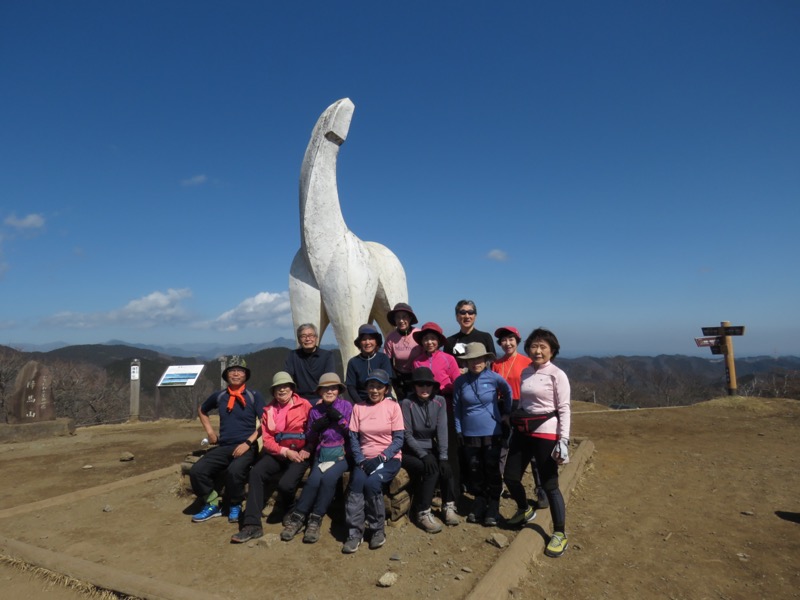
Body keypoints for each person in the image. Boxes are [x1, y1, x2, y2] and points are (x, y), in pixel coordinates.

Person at [503, 328, 572, 558]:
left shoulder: (557, 374)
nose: (538, 350)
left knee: (550, 484)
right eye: (534, 346)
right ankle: (524, 509)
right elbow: (524, 402)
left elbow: (564, 408)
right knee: (511, 476)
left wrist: (563, 439)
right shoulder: (525, 372)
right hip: (524, 432)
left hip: (546, 433)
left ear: (552, 350)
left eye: (543, 346)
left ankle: (560, 533)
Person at [231, 372, 312, 543]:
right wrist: (284, 451)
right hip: (278, 453)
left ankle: (291, 509)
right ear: (274, 392)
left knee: (286, 484)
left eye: (285, 386)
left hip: (299, 453)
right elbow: (267, 440)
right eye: (278, 388)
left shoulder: (304, 406)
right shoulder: (269, 411)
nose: (282, 390)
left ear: (292, 389)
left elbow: (313, 431)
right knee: (256, 473)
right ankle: (252, 524)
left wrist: (307, 449)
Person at [189, 356, 266, 523]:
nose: (236, 374)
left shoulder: (254, 395)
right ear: (227, 375)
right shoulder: (220, 396)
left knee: (234, 471)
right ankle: (212, 503)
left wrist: (248, 443)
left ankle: (235, 504)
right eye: (232, 371)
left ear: (246, 375)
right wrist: (210, 432)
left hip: (247, 446)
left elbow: (265, 423)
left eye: (240, 371)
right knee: (197, 470)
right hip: (224, 445)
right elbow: (202, 410)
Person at [279, 373, 353, 543]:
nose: (329, 391)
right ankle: (298, 517)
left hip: (342, 454)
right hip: (322, 453)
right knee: (313, 481)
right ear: (320, 391)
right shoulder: (315, 411)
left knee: (328, 480)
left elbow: (353, 434)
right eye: (325, 388)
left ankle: (316, 518)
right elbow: (310, 438)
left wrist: (340, 421)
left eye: (333, 387)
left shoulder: (346, 407)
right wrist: (315, 429)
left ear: (338, 390)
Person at [342, 369, 404, 553]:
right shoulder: (358, 408)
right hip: (365, 459)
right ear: (366, 388)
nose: (374, 390)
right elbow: (353, 438)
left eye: (379, 387)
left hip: (389, 458)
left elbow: (399, 438)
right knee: (356, 484)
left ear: (386, 389)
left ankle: (377, 530)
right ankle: (354, 533)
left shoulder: (393, 407)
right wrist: (360, 460)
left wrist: (381, 458)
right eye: (371, 386)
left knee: (372, 483)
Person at [452, 342, 513, 527]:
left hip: (492, 431)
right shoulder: (460, 382)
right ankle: (479, 500)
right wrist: (458, 429)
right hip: (469, 433)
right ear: (466, 362)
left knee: (492, 468)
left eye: (479, 358)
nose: (476, 362)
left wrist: (506, 413)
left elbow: (508, 391)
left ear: (486, 359)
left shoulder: (494, 378)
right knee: (474, 468)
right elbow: (456, 407)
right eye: (471, 359)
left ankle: (493, 503)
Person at [491, 326, 547, 508]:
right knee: (503, 447)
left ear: (517, 341)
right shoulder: (496, 364)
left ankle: (541, 489)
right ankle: (498, 485)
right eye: (503, 340)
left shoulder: (527, 362)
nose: (507, 343)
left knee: (531, 450)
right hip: (504, 408)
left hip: (524, 408)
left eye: (510, 339)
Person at [400, 367, 459, 532]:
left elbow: (442, 431)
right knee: (430, 468)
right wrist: (424, 455)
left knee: (446, 468)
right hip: (410, 450)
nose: (424, 388)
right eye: (420, 385)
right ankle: (422, 511)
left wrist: (444, 457)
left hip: (430, 446)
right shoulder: (406, 403)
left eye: (428, 385)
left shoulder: (439, 402)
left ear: (433, 386)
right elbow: (407, 434)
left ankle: (448, 505)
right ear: (414, 387)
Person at [283, 323, 335, 406]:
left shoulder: (327, 356)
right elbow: (286, 377)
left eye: (311, 335)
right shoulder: (293, 355)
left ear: (316, 338)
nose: (308, 339)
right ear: (299, 340)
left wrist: (324, 399)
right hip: (299, 399)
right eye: (303, 336)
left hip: (321, 398)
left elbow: (329, 380)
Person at [345, 323, 394, 404]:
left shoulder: (383, 358)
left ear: (376, 342)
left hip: (382, 399)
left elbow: (388, 380)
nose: (367, 342)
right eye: (364, 339)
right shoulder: (353, 362)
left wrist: (386, 399)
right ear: (360, 343)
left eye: (371, 339)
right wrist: (361, 404)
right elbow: (351, 386)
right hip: (361, 401)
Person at [384, 302, 421, 399]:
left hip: (418, 376)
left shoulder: (418, 334)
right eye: (398, 317)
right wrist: (392, 380)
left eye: (404, 317)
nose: (401, 320)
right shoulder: (391, 338)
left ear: (410, 318)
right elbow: (388, 361)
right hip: (399, 379)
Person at [444, 300, 496, 369]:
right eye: (463, 312)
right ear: (457, 317)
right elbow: (447, 366)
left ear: (475, 316)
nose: (467, 316)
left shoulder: (485, 337)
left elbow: (493, 363)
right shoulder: (449, 341)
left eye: (470, 312)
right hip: (458, 379)